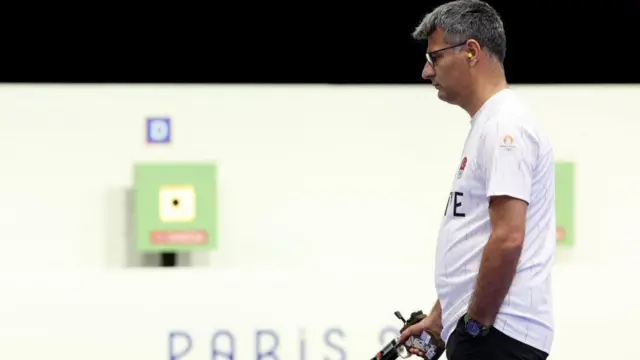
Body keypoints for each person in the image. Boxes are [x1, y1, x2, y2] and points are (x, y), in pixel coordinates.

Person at [397, 1, 555, 360]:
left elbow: (508, 237)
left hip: (495, 335)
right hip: (489, 334)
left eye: (433, 57)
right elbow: (478, 240)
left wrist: (474, 324)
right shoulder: (491, 124)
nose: (425, 71)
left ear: (470, 51)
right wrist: (441, 318)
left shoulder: (504, 126)